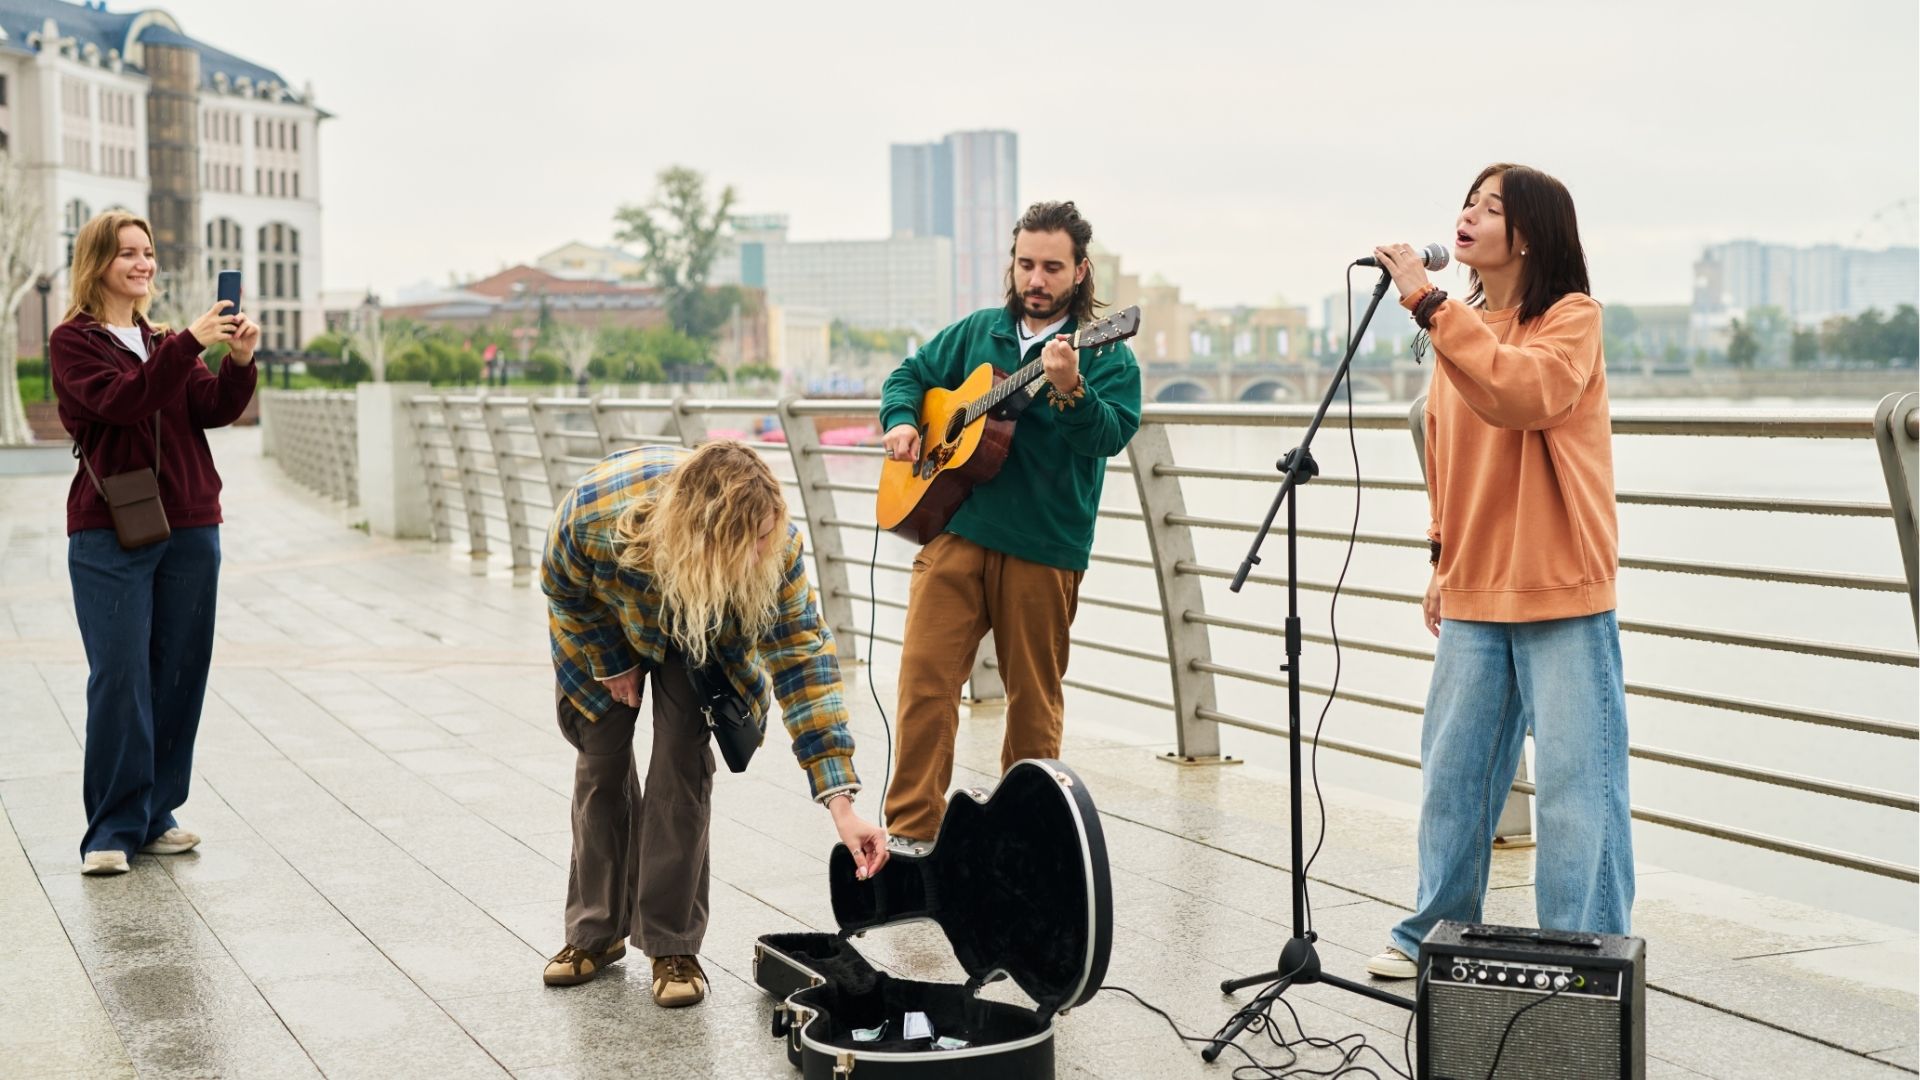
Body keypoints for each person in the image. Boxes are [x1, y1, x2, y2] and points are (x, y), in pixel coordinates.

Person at [1363, 164, 1633, 980]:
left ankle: (1584, 951)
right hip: (1476, 584)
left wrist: (1430, 303)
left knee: (1577, 788)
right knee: (1454, 772)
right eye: (1468, 202)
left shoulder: (1570, 319)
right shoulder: (1462, 326)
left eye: (1493, 208)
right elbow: (1448, 453)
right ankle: (1429, 932)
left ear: (1531, 235)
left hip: (1559, 585)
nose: (1470, 216)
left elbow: (1528, 394)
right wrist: (1440, 556)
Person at [539, 440, 890, 1005]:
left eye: (767, 537)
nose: (762, 553)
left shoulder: (773, 550)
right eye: (749, 543)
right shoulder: (595, 513)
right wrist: (613, 663)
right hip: (607, 616)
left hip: (699, 629)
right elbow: (561, 586)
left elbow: (804, 661)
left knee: (680, 763)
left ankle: (672, 943)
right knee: (600, 766)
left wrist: (841, 804)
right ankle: (594, 934)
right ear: (705, 535)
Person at [877, 201, 1142, 850]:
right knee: (923, 684)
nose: (1036, 279)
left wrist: (1071, 389)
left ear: (1080, 272)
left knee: (1032, 705)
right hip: (956, 533)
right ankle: (911, 838)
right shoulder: (976, 334)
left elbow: (1107, 437)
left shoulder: (1108, 356)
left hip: (1044, 548)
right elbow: (908, 375)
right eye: (1026, 264)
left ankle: (1021, 843)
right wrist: (903, 420)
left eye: (1052, 267)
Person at [52, 210, 259, 877]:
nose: (143, 265)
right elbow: (123, 403)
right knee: (119, 676)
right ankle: (110, 828)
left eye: (148, 254)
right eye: (127, 255)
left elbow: (208, 410)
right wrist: (187, 346)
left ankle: (155, 814)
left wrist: (239, 363)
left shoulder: (163, 337)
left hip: (192, 524)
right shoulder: (73, 342)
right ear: (98, 264)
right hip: (111, 527)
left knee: (178, 673)